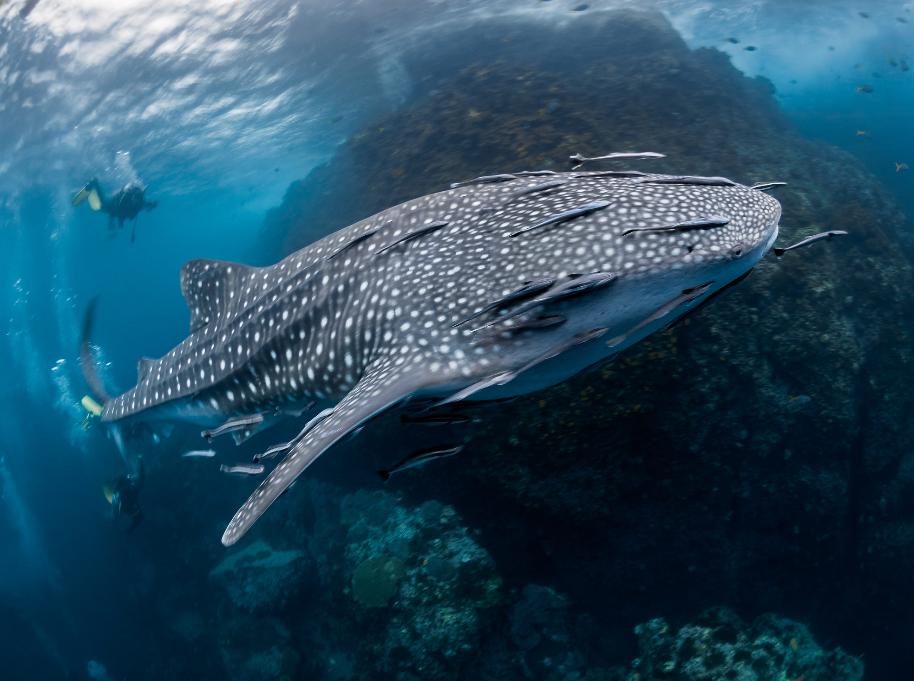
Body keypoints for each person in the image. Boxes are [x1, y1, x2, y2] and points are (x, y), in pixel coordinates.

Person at [72, 178, 158, 242]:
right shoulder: (125, 201)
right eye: (135, 199)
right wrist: (111, 224)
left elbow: (146, 205)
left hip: (117, 210)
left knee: (101, 208)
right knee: (101, 205)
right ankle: (94, 182)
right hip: (111, 205)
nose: (135, 201)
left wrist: (152, 205)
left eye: (138, 200)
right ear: (133, 197)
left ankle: (93, 188)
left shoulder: (140, 203)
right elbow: (115, 212)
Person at [102, 457, 144, 531]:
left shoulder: (125, 483)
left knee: (137, 515)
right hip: (125, 501)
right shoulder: (117, 493)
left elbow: (134, 480)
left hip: (127, 499)